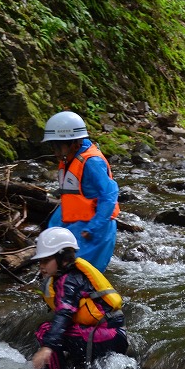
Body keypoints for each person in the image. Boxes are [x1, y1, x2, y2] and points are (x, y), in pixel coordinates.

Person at [31, 227, 128, 369]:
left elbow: (63, 314)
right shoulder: (69, 276)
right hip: (112, 334)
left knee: (44, 331)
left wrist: (47, 347)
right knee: (52, 331)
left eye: (46, 260)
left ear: (62, 259)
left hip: (108, 336)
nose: (42, 266)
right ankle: (74, 365)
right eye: (40, 261)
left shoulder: (68, 280)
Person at [42, 110, 120, 272]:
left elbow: (109, 194)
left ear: (74, 142)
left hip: (94, 230)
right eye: (53, 146)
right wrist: (53, 229)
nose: (55, 152)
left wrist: (93, 228)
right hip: (75, 226)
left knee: (81, 277)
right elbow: (70, 199)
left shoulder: (92, 163)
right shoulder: (69, 159)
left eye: (58, 146)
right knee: (62, 273)